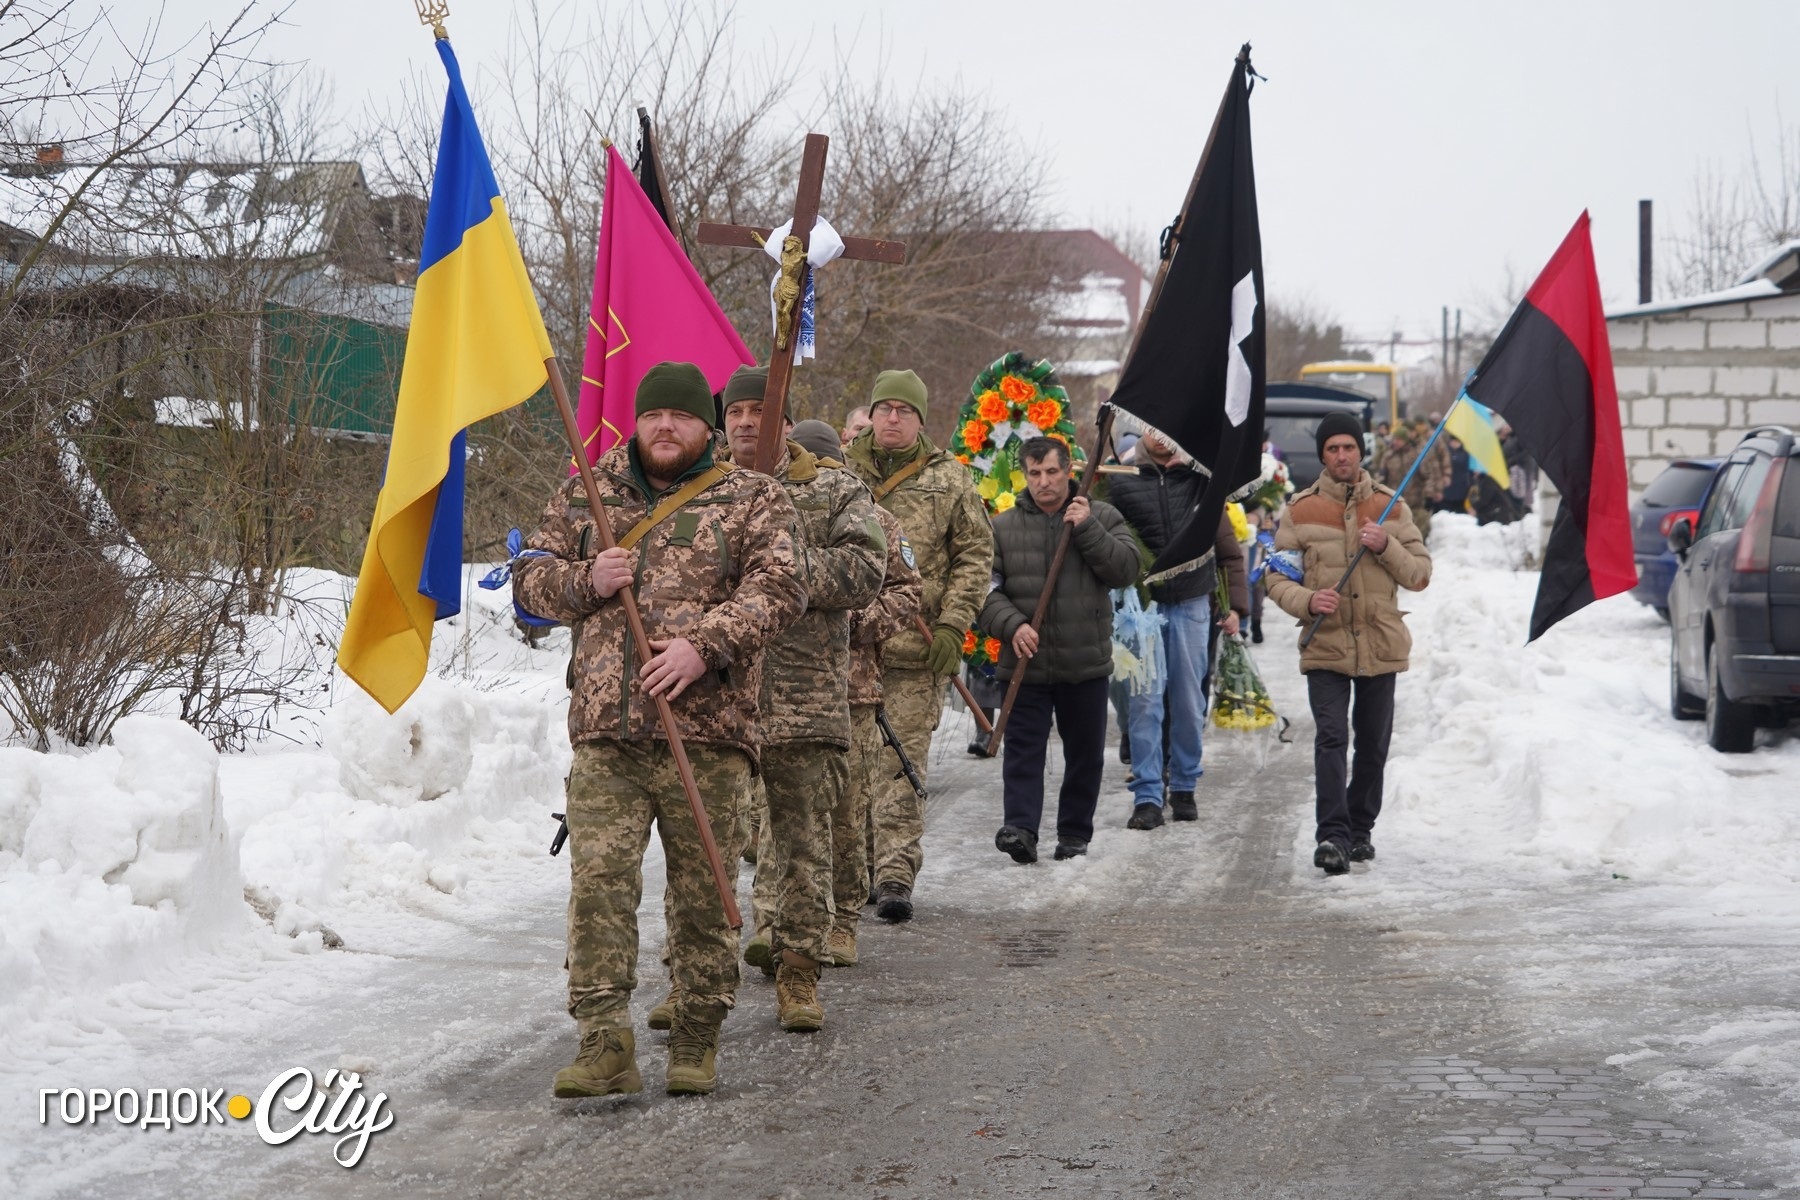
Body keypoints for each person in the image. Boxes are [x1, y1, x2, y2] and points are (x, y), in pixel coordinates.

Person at [513, 361, 806, 1097]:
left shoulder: (752, 497)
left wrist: (701, 647)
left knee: (703, 892)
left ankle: (699, 1033)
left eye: (679, 417)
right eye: (652, 416)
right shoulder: (589, 488)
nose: (664, 427)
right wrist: (586, 581)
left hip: (707, 734)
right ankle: (605, 1039)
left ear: (705, 426)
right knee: (599, 890)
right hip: (607, 734)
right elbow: (527, 579)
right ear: (635, 422)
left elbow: (781, 587)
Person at [715, 370, 886, 1033]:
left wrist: (779, 574)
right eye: (736, 412)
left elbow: (867, 572)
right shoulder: (698, 493)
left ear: (787, 423)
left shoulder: (837, 490)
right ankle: (695, 981)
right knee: (706, 851)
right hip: (717, 703)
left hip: (805, 699)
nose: (748, 422)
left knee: (804, 850)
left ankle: (799, 974)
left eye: (763, 410)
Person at [844, 370, 993, 921]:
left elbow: (974, 558)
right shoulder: (839, 471)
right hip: (848, 649)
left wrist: (954, 626)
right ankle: (852, 869)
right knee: (849, 768)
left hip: (914, 651)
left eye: (904, 411)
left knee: (900, 766)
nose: (892, 418)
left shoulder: (950, 480)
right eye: (884, 408)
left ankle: (895, 874)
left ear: (920, 419)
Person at [1264, 412, 1431, 877]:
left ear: (1361, 452)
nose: (1342, 455)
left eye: (1349, 447)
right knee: (1333, 739)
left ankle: (1360, 830)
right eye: (1333, 448)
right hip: (1327, 645)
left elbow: (1420, 574)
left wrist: (1385, 546)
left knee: (1373, 744)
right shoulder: (1299, 510)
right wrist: (1305, 600)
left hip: (1380, 642)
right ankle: (1332, 837)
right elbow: (1276, 576)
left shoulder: (1391, 506)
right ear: (1322, 455)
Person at [792, 420, 923, 968]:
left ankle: (843, 919)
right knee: (787, 818)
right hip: (784, 693)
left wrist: (848, 621)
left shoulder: (878, 522)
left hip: (852, 692)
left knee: (847, 813)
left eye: (828, 468)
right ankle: (783, 921)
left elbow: (908, 593)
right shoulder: (770, 514)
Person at [981, 437, 1140, 863]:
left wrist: (1087, 527)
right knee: (1022, 753)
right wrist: (1012, 625)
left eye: (1051, 472)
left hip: (1083, 662)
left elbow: (1125, 570)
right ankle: (1020, 828)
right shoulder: (1003, 526)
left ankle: (1073, 832)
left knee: (1084, 755)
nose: (1043, 482)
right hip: (1024, 665)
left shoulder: (1101, 516)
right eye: (1034, 473)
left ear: (1068, 471)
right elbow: (984, 590)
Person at [1103, 431, 1248, 830]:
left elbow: (1229, 550)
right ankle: (1148, 793)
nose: (1159, 436)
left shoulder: (1202, 477)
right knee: (1145, 703)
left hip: (1192, 604)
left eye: (1165, 427)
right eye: (1150, 427)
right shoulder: (1121, 478)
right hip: (1143, 611)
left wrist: (1237, 605)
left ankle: (1184, 785)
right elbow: (1107, 541)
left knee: (1187, 700)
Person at [1376, 419, 1449, 544]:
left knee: (1416, 536)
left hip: (1415, 504)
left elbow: (1428, 476)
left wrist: (1429, 495)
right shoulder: (1388, 456)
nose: (1396, 442)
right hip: (1394, 504)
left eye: (1399, 439)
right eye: (1394, 439)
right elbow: (1381, 478)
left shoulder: (1416, 455)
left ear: (1405, 440)